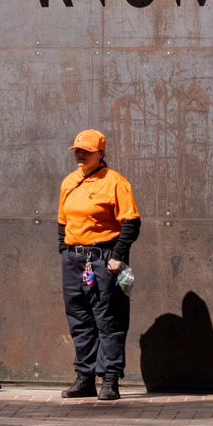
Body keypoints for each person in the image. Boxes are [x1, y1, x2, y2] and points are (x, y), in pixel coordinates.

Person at [57, 128, 138, 402]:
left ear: (100, 153)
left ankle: (110, 380)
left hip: (103, 259)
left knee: (109, 319)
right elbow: (62, 222)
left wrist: (116, 257)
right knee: (79, 319)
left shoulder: (115, 182)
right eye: (77, 150)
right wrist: (64, 251)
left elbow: (132, 224)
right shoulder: (69, 182)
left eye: (87, 151)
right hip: (73, 259)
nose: (80, 155)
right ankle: (85, 378)